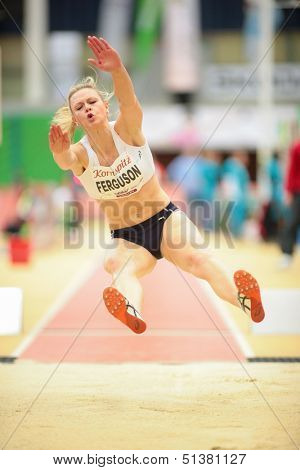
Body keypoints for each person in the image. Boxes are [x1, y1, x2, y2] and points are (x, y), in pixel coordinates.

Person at [48, 36, 265, 334]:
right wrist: (59, 150)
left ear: (104, 104)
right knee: (115, 265)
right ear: (75, 117)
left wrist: (118, 69)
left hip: (165, 220)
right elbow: (65, 160)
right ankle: (131, 310)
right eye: (79, 107)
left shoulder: (127, 130)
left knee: (196, 258)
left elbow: (129, 101)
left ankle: (246, 302)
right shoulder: (82, 154)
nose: (87, 108)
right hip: (128, 236)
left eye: (92, 101)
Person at [279, 137, 300, 268]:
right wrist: (288, 191)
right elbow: (292, 169)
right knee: (291, 222)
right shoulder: (297, 147)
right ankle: (287, 254)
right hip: (297, 191)